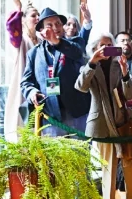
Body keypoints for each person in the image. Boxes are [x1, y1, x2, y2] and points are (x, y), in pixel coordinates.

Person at [76, 33, 132, 199]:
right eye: (102, 45)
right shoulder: (88, 66)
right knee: (108, 170)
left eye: (109, 45)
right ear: (95, 48)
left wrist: (125, 73)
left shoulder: (119, 65)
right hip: (101, 124)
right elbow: (80, 86)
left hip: (122, 123)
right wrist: (92, 62)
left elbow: (129, 94)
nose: (106, 48)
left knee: (131, 167)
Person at [20, 8, 91, 136]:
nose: (55, 27)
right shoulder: (34, 53)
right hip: (50, 114)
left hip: (76, 112)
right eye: (50, 25)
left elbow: (77, 53)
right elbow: (26, 82)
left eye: (58, 23)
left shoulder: (74, 42)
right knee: (53, 155)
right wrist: (32, 92)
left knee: (79, 154)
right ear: (41, 30)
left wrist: (56, 41)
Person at [3, 0, 40, 139]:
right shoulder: (21, 41)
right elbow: (13, 30)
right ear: (23, 20)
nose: (37, 18)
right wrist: (18, 10)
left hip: (40, 90)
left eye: (38, 16)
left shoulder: (42, 41)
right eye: (33, 16)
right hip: (24, 88)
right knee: (22, 129)